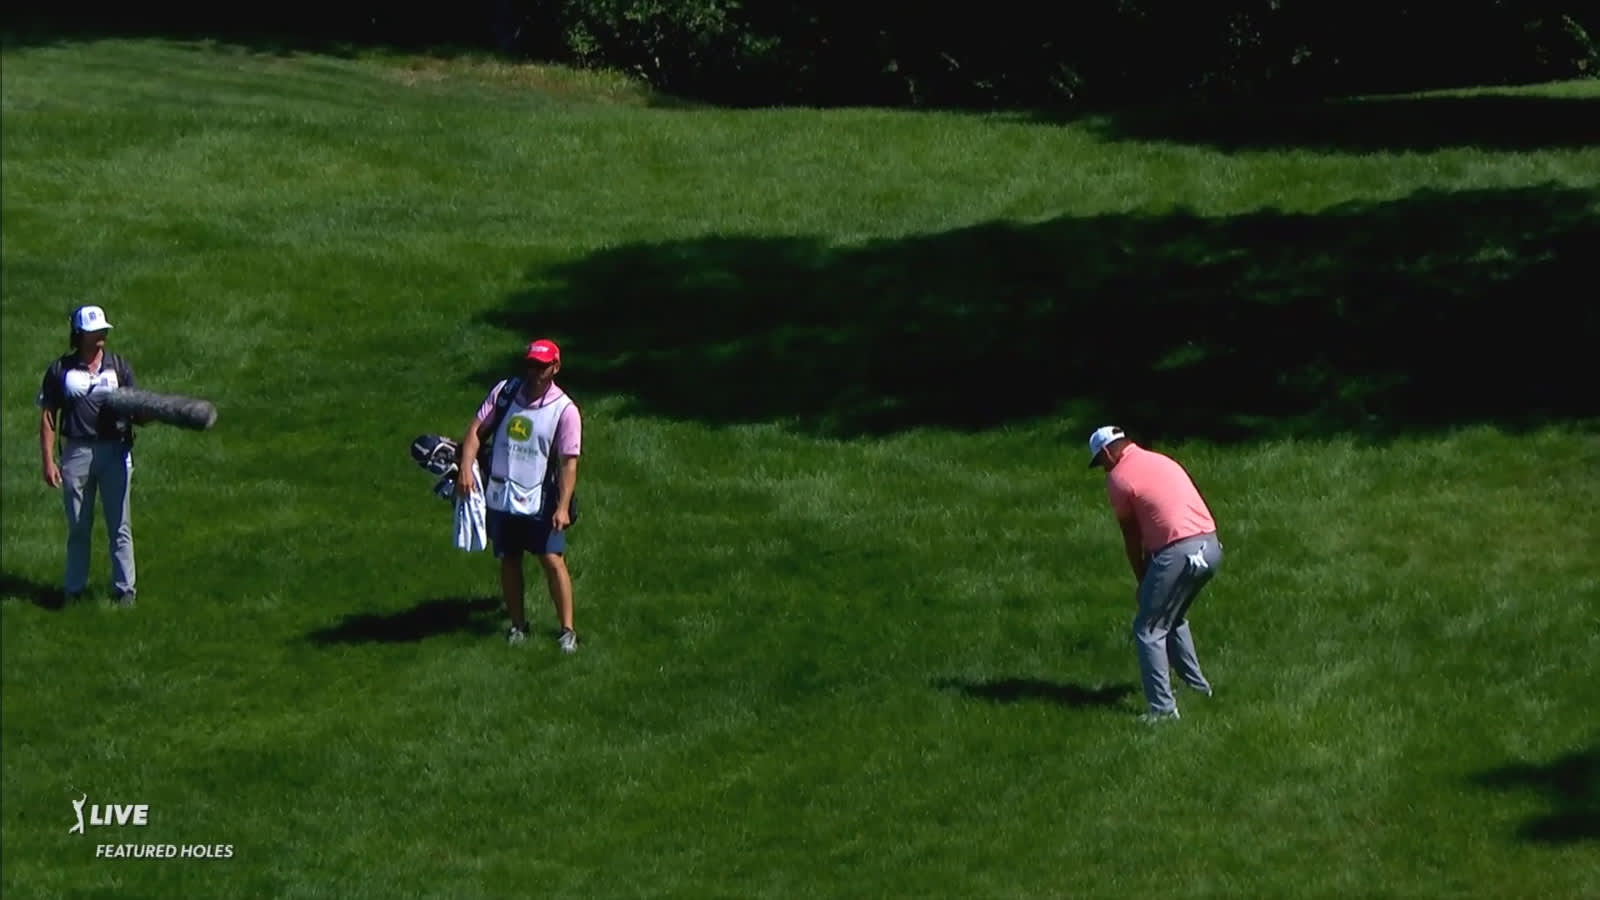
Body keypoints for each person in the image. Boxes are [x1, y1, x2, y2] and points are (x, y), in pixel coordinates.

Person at [1088, 425, 1222, 722]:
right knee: (1172, 617)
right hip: (1210, 547)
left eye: (1101, 461)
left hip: (1178, 551)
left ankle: (1162, 710)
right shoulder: (1161, 460)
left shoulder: (1119, 478)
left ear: (1109, 452)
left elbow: (1132, 536)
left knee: (1148, 629)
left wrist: (1142, 578)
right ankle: (1197, 688)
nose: (1103, 469)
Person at [457, 339, 583, 651]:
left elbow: (569, 464)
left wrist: (563, 507)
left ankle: (567, 630)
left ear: (555, 367)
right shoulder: (506, 392)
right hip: (501, 494)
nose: (534, 372)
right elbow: (476, 430)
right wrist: (465, 467)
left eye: (541, 366)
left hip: (540, 497)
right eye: (530, 364)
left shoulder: (565, 411)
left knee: (551, 559)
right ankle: (517, 625)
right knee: (509, 559)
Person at [37, 305, 141, 607]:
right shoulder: (60, 370)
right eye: (95, 332)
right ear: (80, 335)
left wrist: (149, 411)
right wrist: (48, 460)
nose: (101, 338)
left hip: (115, 452)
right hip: (76, 453)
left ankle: (125, 591)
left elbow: (138, 409)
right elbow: (48, 417)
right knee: (79, 526)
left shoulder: (118, 366)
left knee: (119, 525)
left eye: (103, 332)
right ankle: (74, 590)